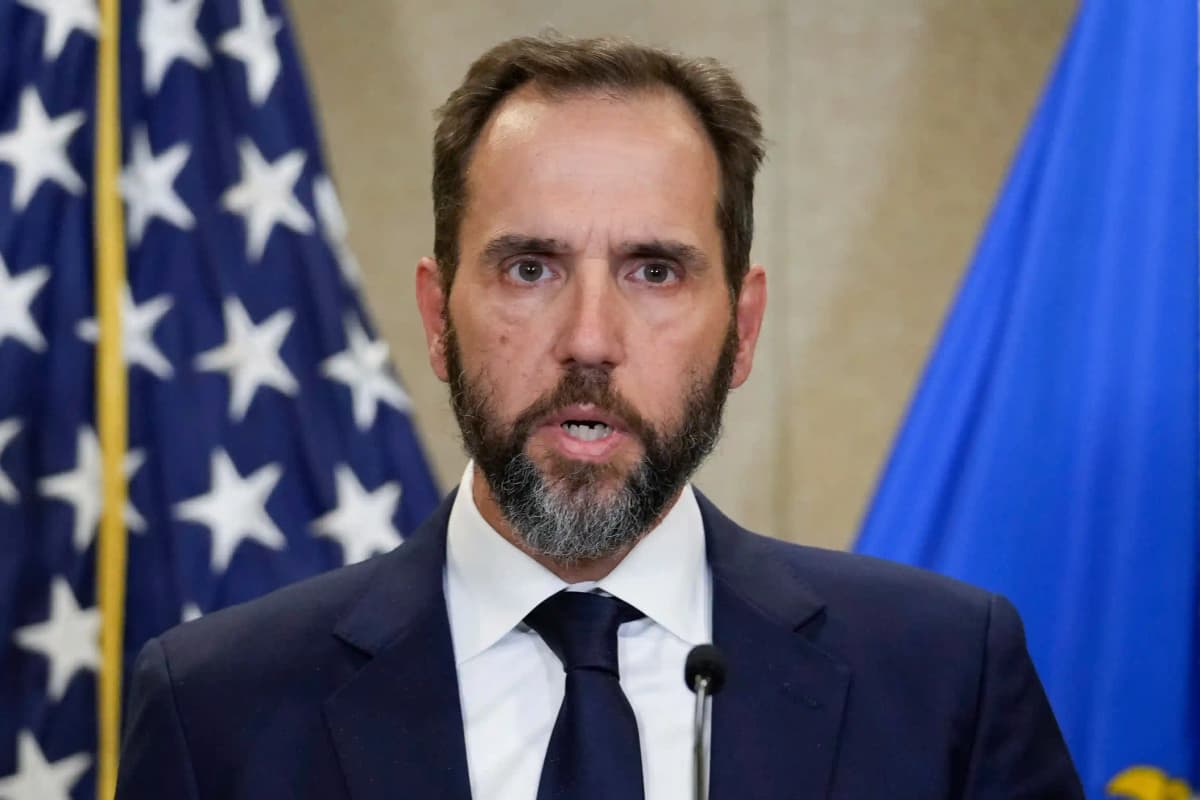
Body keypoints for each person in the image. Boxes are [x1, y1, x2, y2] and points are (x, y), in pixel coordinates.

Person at [116, 35, 1084, 799]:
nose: (589, 337)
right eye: (529, 267)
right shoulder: (220, 710)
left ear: (741, 328)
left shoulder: (944, 676)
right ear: (436, 316)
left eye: (654, 270)